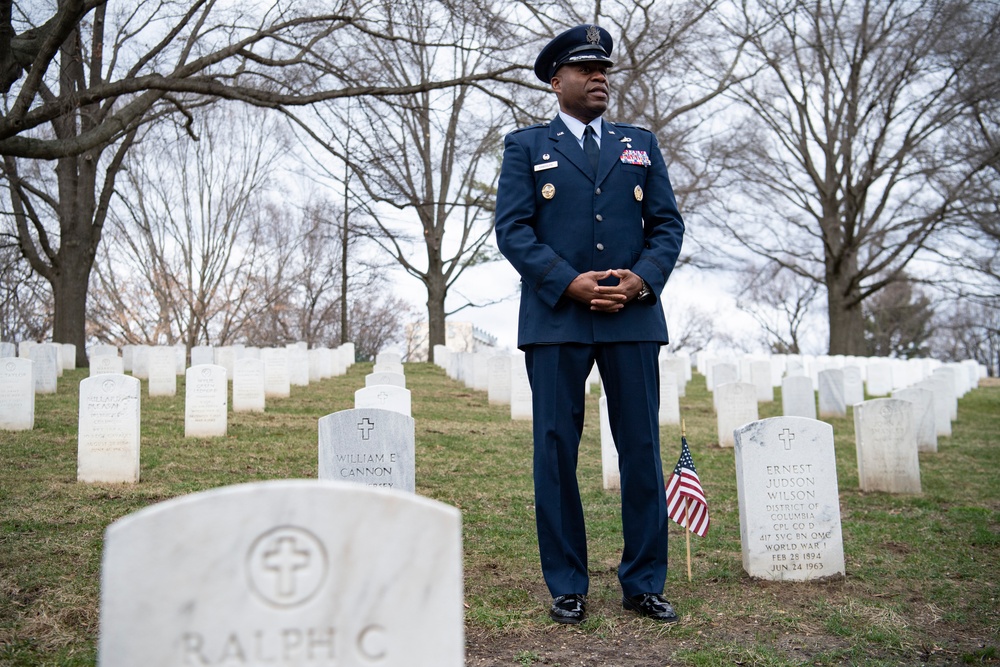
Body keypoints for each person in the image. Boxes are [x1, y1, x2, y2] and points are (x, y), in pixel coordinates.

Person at [493, 24, 685, 625]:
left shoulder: (640, 144)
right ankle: (568, 584)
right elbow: (513, 229)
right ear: (557, 81)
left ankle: (644, 582)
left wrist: (640, 279)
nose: (600, 77)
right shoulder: (527, 147)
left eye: (605, 69)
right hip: (557, 320)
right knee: (555, 452)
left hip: (632, 318)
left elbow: (667, 226)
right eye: (586, 69)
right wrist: (567, 280)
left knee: (641, 449)